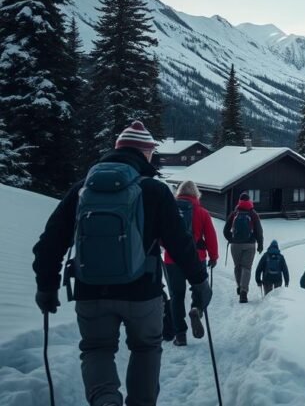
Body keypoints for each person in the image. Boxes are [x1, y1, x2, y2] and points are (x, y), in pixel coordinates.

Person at [32, 121, 212, 406]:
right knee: (145, 348)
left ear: (117, 150)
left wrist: (46, 286)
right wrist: (199, 282)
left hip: (90, 291)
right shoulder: (154, 191)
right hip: (142, 293)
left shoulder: (82, 189)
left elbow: (50, 242)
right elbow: (180, 244)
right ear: (146, 153)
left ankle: (105, 400)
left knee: (96, 349)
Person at [164, 180, 219, 346]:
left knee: (176, 295)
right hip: (197, 258)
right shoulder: (202, 213)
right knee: (199, 289)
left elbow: (161, 236)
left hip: (172, 259)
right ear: (196, 195)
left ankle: (180, 335)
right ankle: (197, 309)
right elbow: (211, 236)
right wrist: (214, 256)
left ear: (179, 193)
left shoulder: (169, 211)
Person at [223, 192, 263, 303]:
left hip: (235, 245)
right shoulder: (253, 213)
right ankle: (244, 292)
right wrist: (260, 244)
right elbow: (259, 231)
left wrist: (231, 239)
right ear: (249, 200)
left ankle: (239, 286)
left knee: (237, 267)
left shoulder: (234, 213)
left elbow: (225, 230)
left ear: (239, 201)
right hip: (250, 244)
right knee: (246, 268)